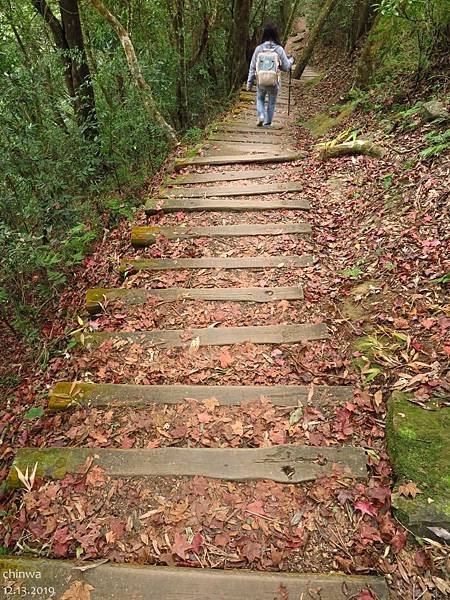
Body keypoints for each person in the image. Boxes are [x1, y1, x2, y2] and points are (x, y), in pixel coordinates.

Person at [246, 24, 294, 128]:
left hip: (261, 81)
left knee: (260, 99)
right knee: (271, 102)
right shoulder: (279, 49)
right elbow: (285, 67)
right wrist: (291, 61)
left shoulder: (259, 49)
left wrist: (249, 84)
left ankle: (261, 115)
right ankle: (267, 123)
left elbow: (252, 67)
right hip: (274, 82)